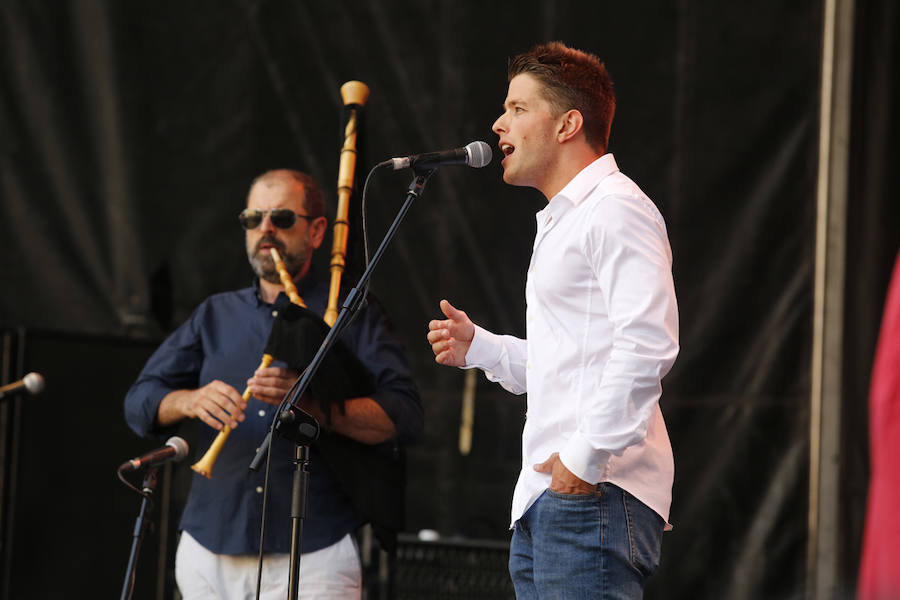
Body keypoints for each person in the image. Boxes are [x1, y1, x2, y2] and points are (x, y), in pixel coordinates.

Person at [427, 42, 679, 598]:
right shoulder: (569, 218)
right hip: (554, 494)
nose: (498, 124)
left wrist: (584, 460)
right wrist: (484, 348)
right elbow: (573, 361)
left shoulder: (614, 208)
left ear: (568, 123)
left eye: (518, 108)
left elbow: (647, 345)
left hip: (593, 492)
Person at [125, 169, 422, 599]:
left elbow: (405, 417)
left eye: (282, 218)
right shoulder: (214, 315)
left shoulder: (350, 310)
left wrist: (316, 409)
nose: (264, 230)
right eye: (253, 218)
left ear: (318, 231)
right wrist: (191, 400)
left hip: (314, 552)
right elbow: (139, 402)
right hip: (209, 545)